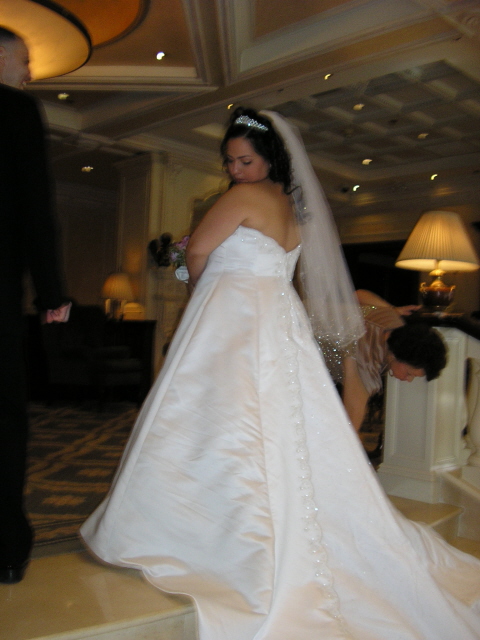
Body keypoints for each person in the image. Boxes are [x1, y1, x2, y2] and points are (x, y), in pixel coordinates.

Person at [81, 107, 480, 639]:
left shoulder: (242, 198)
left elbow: (197, 251)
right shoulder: (295, 208)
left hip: (234, 313)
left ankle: (203, 528)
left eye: (245, 160)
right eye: (230, 161)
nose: (236, 170)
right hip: (276, 317)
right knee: (274, 417)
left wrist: (198, 287)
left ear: (269, 158)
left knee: (214, 412)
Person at [0, 27, 70, 584]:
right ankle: (4, 547)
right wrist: (52, 291)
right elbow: (34, 205)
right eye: (23, 60)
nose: (28, 72)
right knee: (4, 418)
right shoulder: (16, 110)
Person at [342, 289, 447, 431]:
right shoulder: (370, 357)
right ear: (399, 356)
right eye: (409, 373)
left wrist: (389, 309)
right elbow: (354, 408)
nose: (408, 380)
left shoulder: (394, 323)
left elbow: (358, 295)